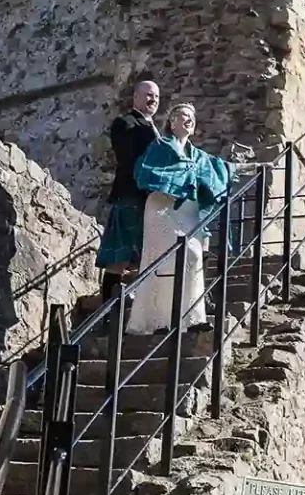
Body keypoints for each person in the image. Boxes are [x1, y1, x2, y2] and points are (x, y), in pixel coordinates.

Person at [125, 103, 232, 336]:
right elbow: (144, 171)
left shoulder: (199, 157)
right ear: (172, 122)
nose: (189, 120)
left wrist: (257, 166)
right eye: (184, 116)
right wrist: (175, 183)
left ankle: (192, 318)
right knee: (165, 262)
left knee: (193, 258)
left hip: (188, 210)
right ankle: (160, 322)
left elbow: (221, 172)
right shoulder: (160, 147)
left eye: (192, 117)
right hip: (163, 207)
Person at [96, 79, 160, 286]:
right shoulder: (126, 123)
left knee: (146, 257)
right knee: (119, 259)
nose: (153, 99)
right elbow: (129, 159)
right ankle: (107, 311)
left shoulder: (155, 128)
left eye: (157, 96)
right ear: (136, 97)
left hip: (153, 199)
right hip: (132, 195)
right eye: (149, 94)